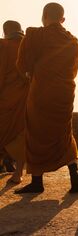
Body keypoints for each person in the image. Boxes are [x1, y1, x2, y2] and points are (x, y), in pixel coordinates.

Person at [15, 3, 78, 194]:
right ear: (62, 19)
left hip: (41, 92)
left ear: (44, 16)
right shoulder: (73, 42)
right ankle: (74, 175)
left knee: (36, 133)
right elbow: (73, 71)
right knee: (64, 132)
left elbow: (22, 66)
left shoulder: (34, 36)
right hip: (64, 93)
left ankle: (37, 181)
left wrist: (32, 75)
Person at [0, 21, 28, 184]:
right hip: (25, 97)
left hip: (6, 98)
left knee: (2, 132)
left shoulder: (3, 46)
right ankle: (18, 173)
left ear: (5, 32)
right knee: (20, 134)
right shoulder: (29, 46)